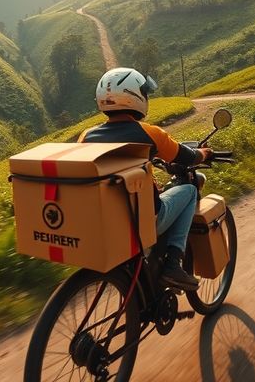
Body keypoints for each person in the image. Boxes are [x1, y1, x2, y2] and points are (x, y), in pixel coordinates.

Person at [77, 67, 210, 290]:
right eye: (145, 93)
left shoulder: (86, 136)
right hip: (141, 221)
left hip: (104, 222)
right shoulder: (150, 134)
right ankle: (173, 263)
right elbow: (188, 157)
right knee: (189, 191)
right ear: (135, 96)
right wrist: (204, 153)